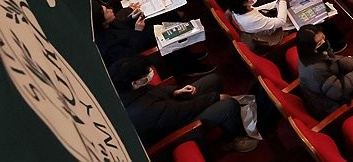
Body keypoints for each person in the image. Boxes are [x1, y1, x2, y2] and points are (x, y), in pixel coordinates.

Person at [109, 56, 259, 152]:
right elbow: (183, 110)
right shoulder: (143, 109)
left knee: (213, 79)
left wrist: (175, 91)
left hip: (170, 107)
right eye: (147, 72)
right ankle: (232, 139)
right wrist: (215, 98)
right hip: (175, 126)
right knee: (229, 105)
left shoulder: (129, 87)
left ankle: (227, 120)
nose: (150, 72)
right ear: (135, 82)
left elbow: (155, 91)